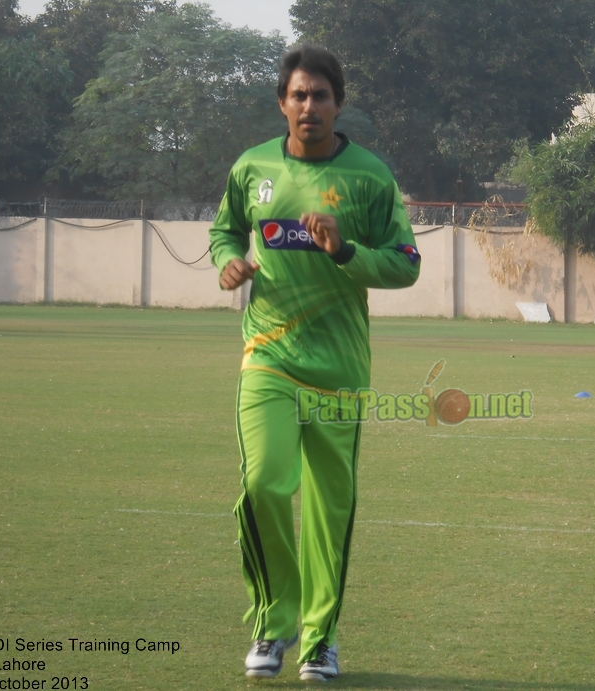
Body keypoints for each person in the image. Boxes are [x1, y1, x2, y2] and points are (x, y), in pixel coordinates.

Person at [208, 44, 420, 682]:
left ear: (338, 104)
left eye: (320, 95)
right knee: (262, 484)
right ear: (282, 104)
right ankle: (273, 625)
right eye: (298, 95)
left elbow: (405, 265)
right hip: (267, 357)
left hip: (338, 370)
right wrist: (228, 261)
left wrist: (345, 249)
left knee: (329, 509)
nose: (309, 106)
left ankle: (319, 640)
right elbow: (225, 231)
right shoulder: (252, 169)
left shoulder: (369, 177)